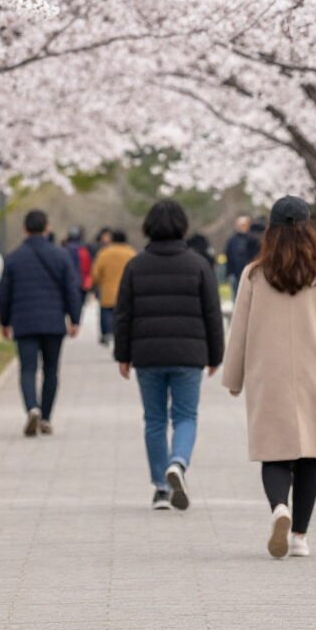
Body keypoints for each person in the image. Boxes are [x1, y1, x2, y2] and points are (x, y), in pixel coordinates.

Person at [222, 196, 316, 558]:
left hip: (268, 374)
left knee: (274, 453)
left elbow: (239, 330)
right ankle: (299, 536)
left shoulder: (254, 273)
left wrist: (233, 378)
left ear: (270, 230)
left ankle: (278, 509)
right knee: (309, 457)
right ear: (308, 229)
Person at [114, 201, 224, 510]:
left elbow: (124, 314)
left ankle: (161, 488)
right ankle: (178, 462)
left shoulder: (136, 265)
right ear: (183, 227)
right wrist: (216, 355)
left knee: (155, 420)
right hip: (189, 354)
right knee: (186, 416)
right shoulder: (199, 264)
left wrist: (122, 355)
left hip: (147, 355)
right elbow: (212, 313)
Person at [0, 209, 82, 435]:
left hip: (24, 322)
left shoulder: (13, 258)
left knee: (27, 369)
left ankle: (31, 408)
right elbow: (71, 290)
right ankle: (45, 417)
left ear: (24, 229)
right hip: (54, 322)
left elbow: (4, 293)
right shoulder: (61, 256)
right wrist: (75, 319)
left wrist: (4, 322)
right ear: (47, 228)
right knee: (51, 370)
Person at [90, 228, 136, 347]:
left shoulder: (104, 253)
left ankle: (107, 333)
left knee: (106, 312)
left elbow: (96, 272)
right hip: (127, 290)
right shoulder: (131, 253)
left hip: (107, 290)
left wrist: (98, 283)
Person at [223, 214, 258, 300]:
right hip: (236, 273)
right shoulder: (232, 241)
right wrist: (229, 273)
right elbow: (228, 256)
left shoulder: (253, 239)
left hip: (251, 273)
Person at [62, 226, 93, 301]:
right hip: (80, 285)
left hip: (66, 285)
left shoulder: (63, 250)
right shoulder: (84, 251)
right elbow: (87, 269)